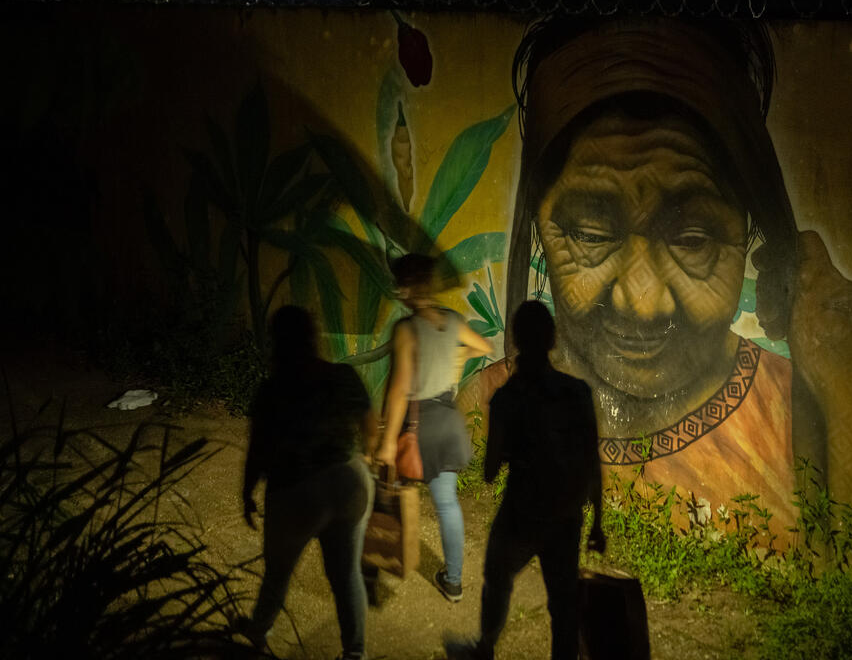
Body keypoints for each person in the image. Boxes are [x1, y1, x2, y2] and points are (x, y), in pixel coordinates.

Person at [457, 16, 852, 528]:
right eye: (590, 234)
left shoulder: (834, 405)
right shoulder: (486, 416)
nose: (642, 302)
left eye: (692, 240)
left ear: (750, 229)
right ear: (541, 227)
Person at [447, 300, 605, 660]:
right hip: (566, 514)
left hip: (522, 513)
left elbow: (488, 474)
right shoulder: (576, 391)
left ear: (516, 340)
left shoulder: (507, 398)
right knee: (563, 605)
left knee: (497, 579)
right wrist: (597, 522)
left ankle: (485, 646)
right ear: (552, 339)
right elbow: (590, 459)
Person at [240, 305, 375, 660]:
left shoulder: (271, 390)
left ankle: (257, 632)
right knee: (346, 576)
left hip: (295, 492)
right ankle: (354, 653)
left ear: (277, 342)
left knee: (278, 573)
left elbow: (258, 448)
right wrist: (367, 458)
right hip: (348, 483)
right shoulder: (342, 376)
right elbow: (368, 423)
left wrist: (247, 492)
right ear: (313, 337)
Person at [373, 252, 492, 602]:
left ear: (409, 287)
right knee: (447, 503)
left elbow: (399, 390)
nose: (397, 289)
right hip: (447, 420)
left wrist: (386, 443)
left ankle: (376, 562)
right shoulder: (452, 320)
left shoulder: (407, 329)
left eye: (400, 283)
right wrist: (460, 357)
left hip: (418, 424)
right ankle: (452, 581)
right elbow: (484, 346)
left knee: (385, 494)